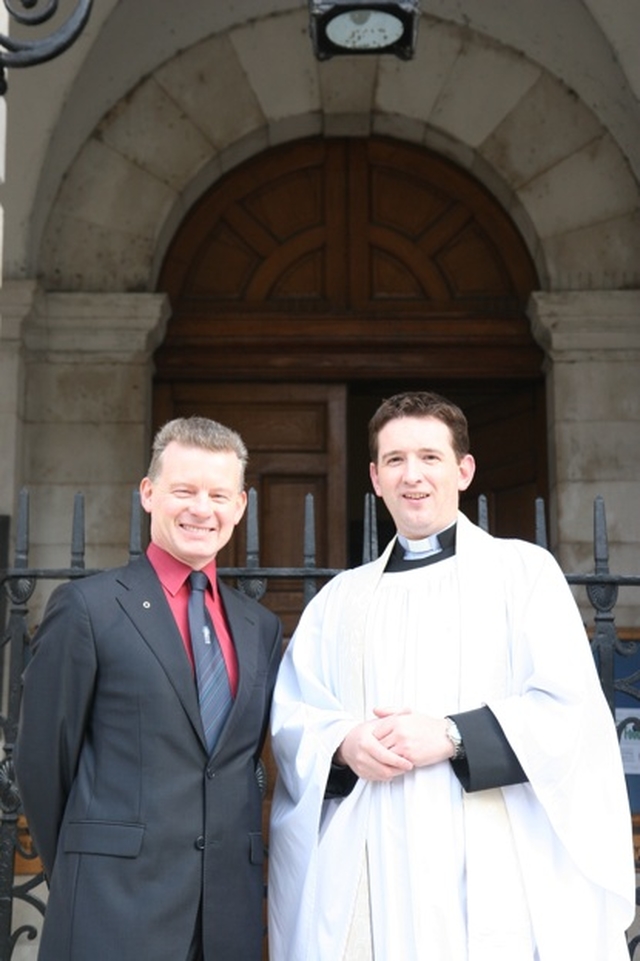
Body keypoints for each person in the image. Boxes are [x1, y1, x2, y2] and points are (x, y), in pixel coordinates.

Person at [268, 390, 635, 961]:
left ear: (463, 470)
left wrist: (451, 735)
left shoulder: (523, 574)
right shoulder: (340, 600)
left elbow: (570, 710)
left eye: (430, 457)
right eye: (394, 460)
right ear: (375, 477)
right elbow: (295, 718)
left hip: (494, 862)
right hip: (374, 853)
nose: (412, 475)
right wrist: (343, 743)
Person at [15, 416, 282, 961]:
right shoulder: (88, 609)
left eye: (217, 494)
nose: (200, 509)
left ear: (240, 506)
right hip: (111, 911)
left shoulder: (260, 627)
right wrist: (87, 863)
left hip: (226, 915)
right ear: (149, 493)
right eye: (184, 490)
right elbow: (42, 761)